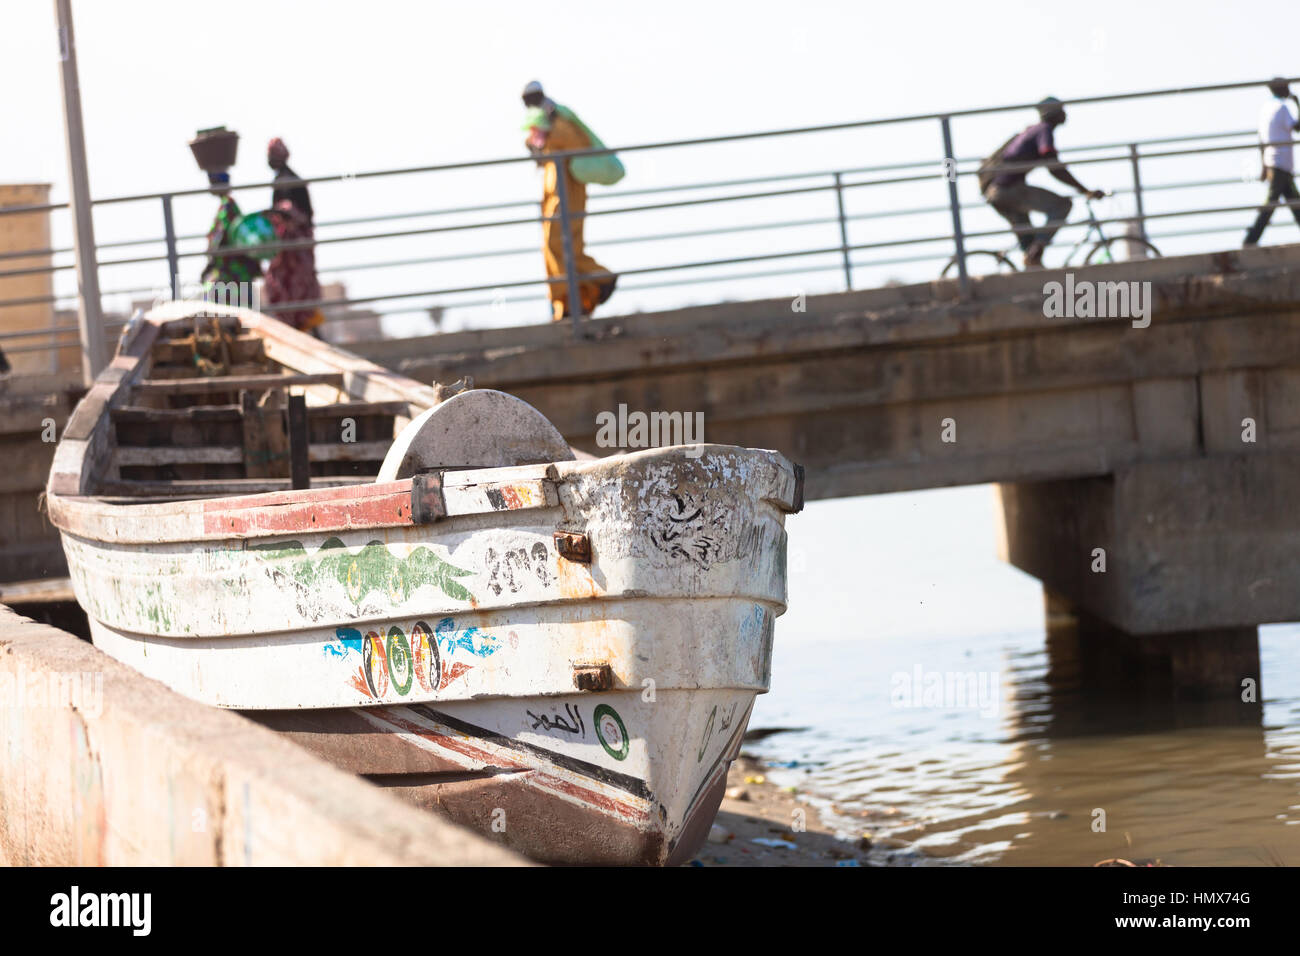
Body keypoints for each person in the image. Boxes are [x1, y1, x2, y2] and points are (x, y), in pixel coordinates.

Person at [522, 81, 617, 321]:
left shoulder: (559, 120)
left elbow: (574, 146)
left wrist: (547, 135)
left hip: (568, 192)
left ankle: (597, 281)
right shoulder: (545, 123)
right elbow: (545, 156)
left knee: (559, 244)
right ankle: (572, 304)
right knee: (557, 246)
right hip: (555, 192)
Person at [980, 97, 1105, 268]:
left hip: (995, 193)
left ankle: (1031, 266)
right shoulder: (1044, 131)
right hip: (1008, 189)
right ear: (1053, 112)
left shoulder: (1032, 130)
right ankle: (1037, 249)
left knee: (1028, 239)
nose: (1065, 114)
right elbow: (1054, 167)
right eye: (1061, 110)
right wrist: (1085, 190)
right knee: (1062, 205)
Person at [263, 138, 324, 334]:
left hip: (294, 247)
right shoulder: (287, 179)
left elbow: (293, 213)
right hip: (294, 247)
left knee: (293, 287)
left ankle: (306, 334)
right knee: (297, 288)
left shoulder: (286, 180)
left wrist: (280, 216)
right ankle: (308, 333)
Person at [1243, 77, 1300, 247]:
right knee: (1274, 202)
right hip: (1281, 163)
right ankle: (1251, 239)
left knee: (1293, 202)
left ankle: (1251, 238)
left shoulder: (1266, 108)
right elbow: (1297, 128)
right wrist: (1297, 103)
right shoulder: (1282, 108)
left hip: (1272, 162)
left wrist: (1263, 166)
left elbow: (1262, 140)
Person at [200, 171, 262, 293]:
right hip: (231, 268)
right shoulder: (226, 204)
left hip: (231, 269)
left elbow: (222, 236)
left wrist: (210, 264)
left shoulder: (228, 206)